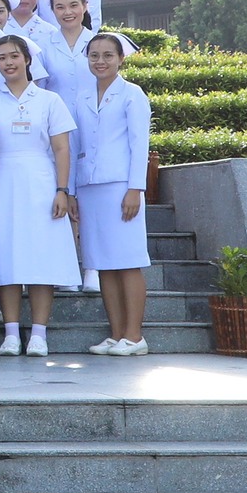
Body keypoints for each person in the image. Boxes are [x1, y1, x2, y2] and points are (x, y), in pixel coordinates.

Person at [0, 35, 80, 356]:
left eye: (14, 56)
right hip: (1, 182)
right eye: (2, 58)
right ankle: (10, 333)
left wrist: (63, 189)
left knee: (41, 259)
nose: (8, 63)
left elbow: (62, 148)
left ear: (27, 60)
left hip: (41, 183)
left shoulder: (49, 100)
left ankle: (38, 333)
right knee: (7, 259)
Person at [74, 32, 154, 355]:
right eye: (94, 55)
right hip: (90, 187)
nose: (101, 61)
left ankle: (135, 336)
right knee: (102, 263)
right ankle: (117, 333)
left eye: (108, 55)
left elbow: (140, 144)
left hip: (122, 187)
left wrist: (135, 188)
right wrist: (71, 190)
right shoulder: (81, 96)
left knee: (127, 261)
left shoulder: (132, 95)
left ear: (121, 59)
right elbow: (76, 144)